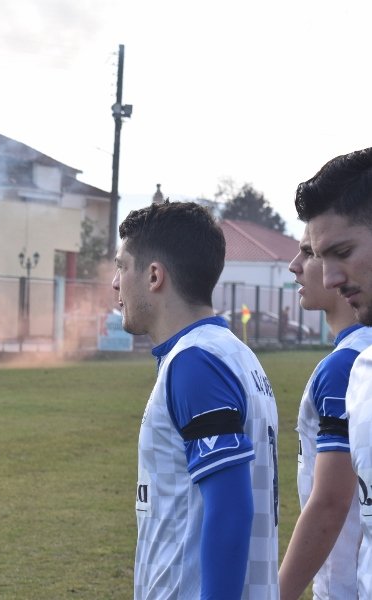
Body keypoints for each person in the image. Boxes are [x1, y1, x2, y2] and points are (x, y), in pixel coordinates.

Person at [112, 201, 279, 598]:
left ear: (154, 276)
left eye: (122, 266)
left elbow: (231, 511)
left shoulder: (195, 364)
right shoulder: (235, 354)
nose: (116, 283)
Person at [294, 146, 372, 598]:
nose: (330, 277)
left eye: (342, 252)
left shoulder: (346, 367)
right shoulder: (362, 370)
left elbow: (329, 503)